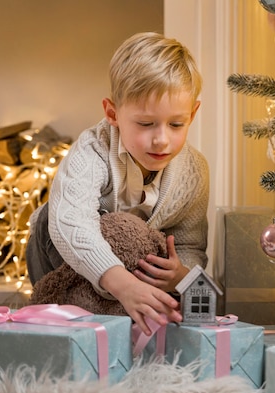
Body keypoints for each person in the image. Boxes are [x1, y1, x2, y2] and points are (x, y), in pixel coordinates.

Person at [25, 32, 208, 336]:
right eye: (145, 124)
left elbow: (190, 243)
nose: (162, 139)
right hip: (56, 256)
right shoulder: (92, 150)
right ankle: (73, 311)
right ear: (113, 113)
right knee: (60, 218)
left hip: (135, 265)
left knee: (158, 252)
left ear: (192, 113)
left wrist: (179, 275)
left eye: (177, 124)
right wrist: (122, 282)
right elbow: (69, 222)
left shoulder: (194, 170)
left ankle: (119, 321)